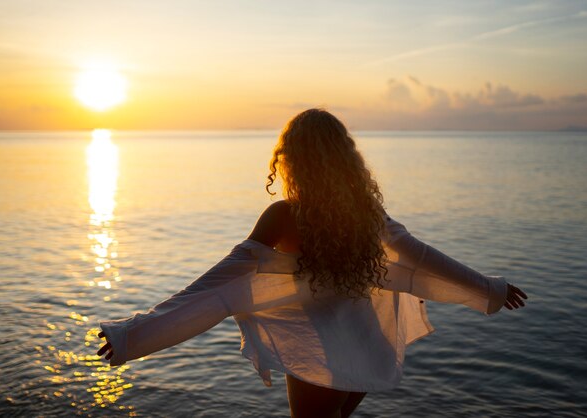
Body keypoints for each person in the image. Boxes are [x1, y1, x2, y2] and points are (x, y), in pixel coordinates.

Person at [97, 109, 527, 418]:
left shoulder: (285, 216)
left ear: (291, 157)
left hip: (321, 353)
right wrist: (489, 289)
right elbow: (421, 259)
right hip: (367, 346)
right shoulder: (367, 213)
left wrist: (134, 334)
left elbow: (216, 286)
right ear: (345, 158)